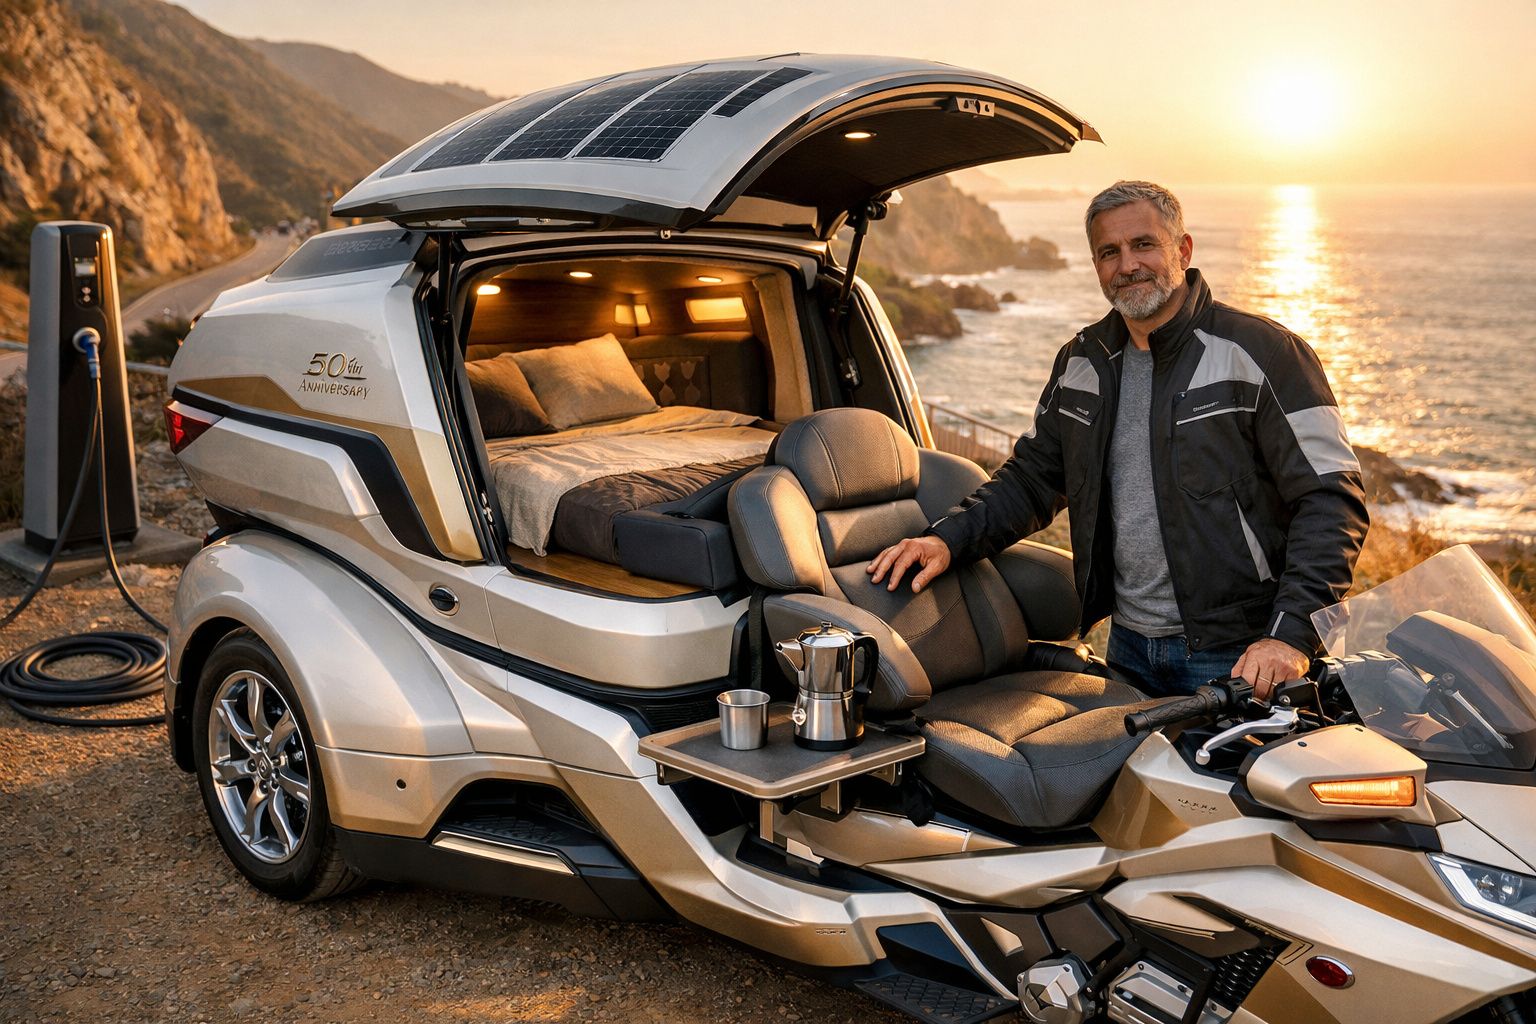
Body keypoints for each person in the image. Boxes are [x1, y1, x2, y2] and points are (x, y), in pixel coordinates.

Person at [867, 181, 1368, 700]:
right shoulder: (1081, 361)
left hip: (1242, 655)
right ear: (1096, 265)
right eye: (1109, 252)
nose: (1127, 265)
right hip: (1128, 647)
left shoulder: (1265, 352)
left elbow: (1332, 500)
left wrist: (1290, 637)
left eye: (1143, 245)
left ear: (1183, 249)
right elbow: (1033, 478)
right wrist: (947, 539)